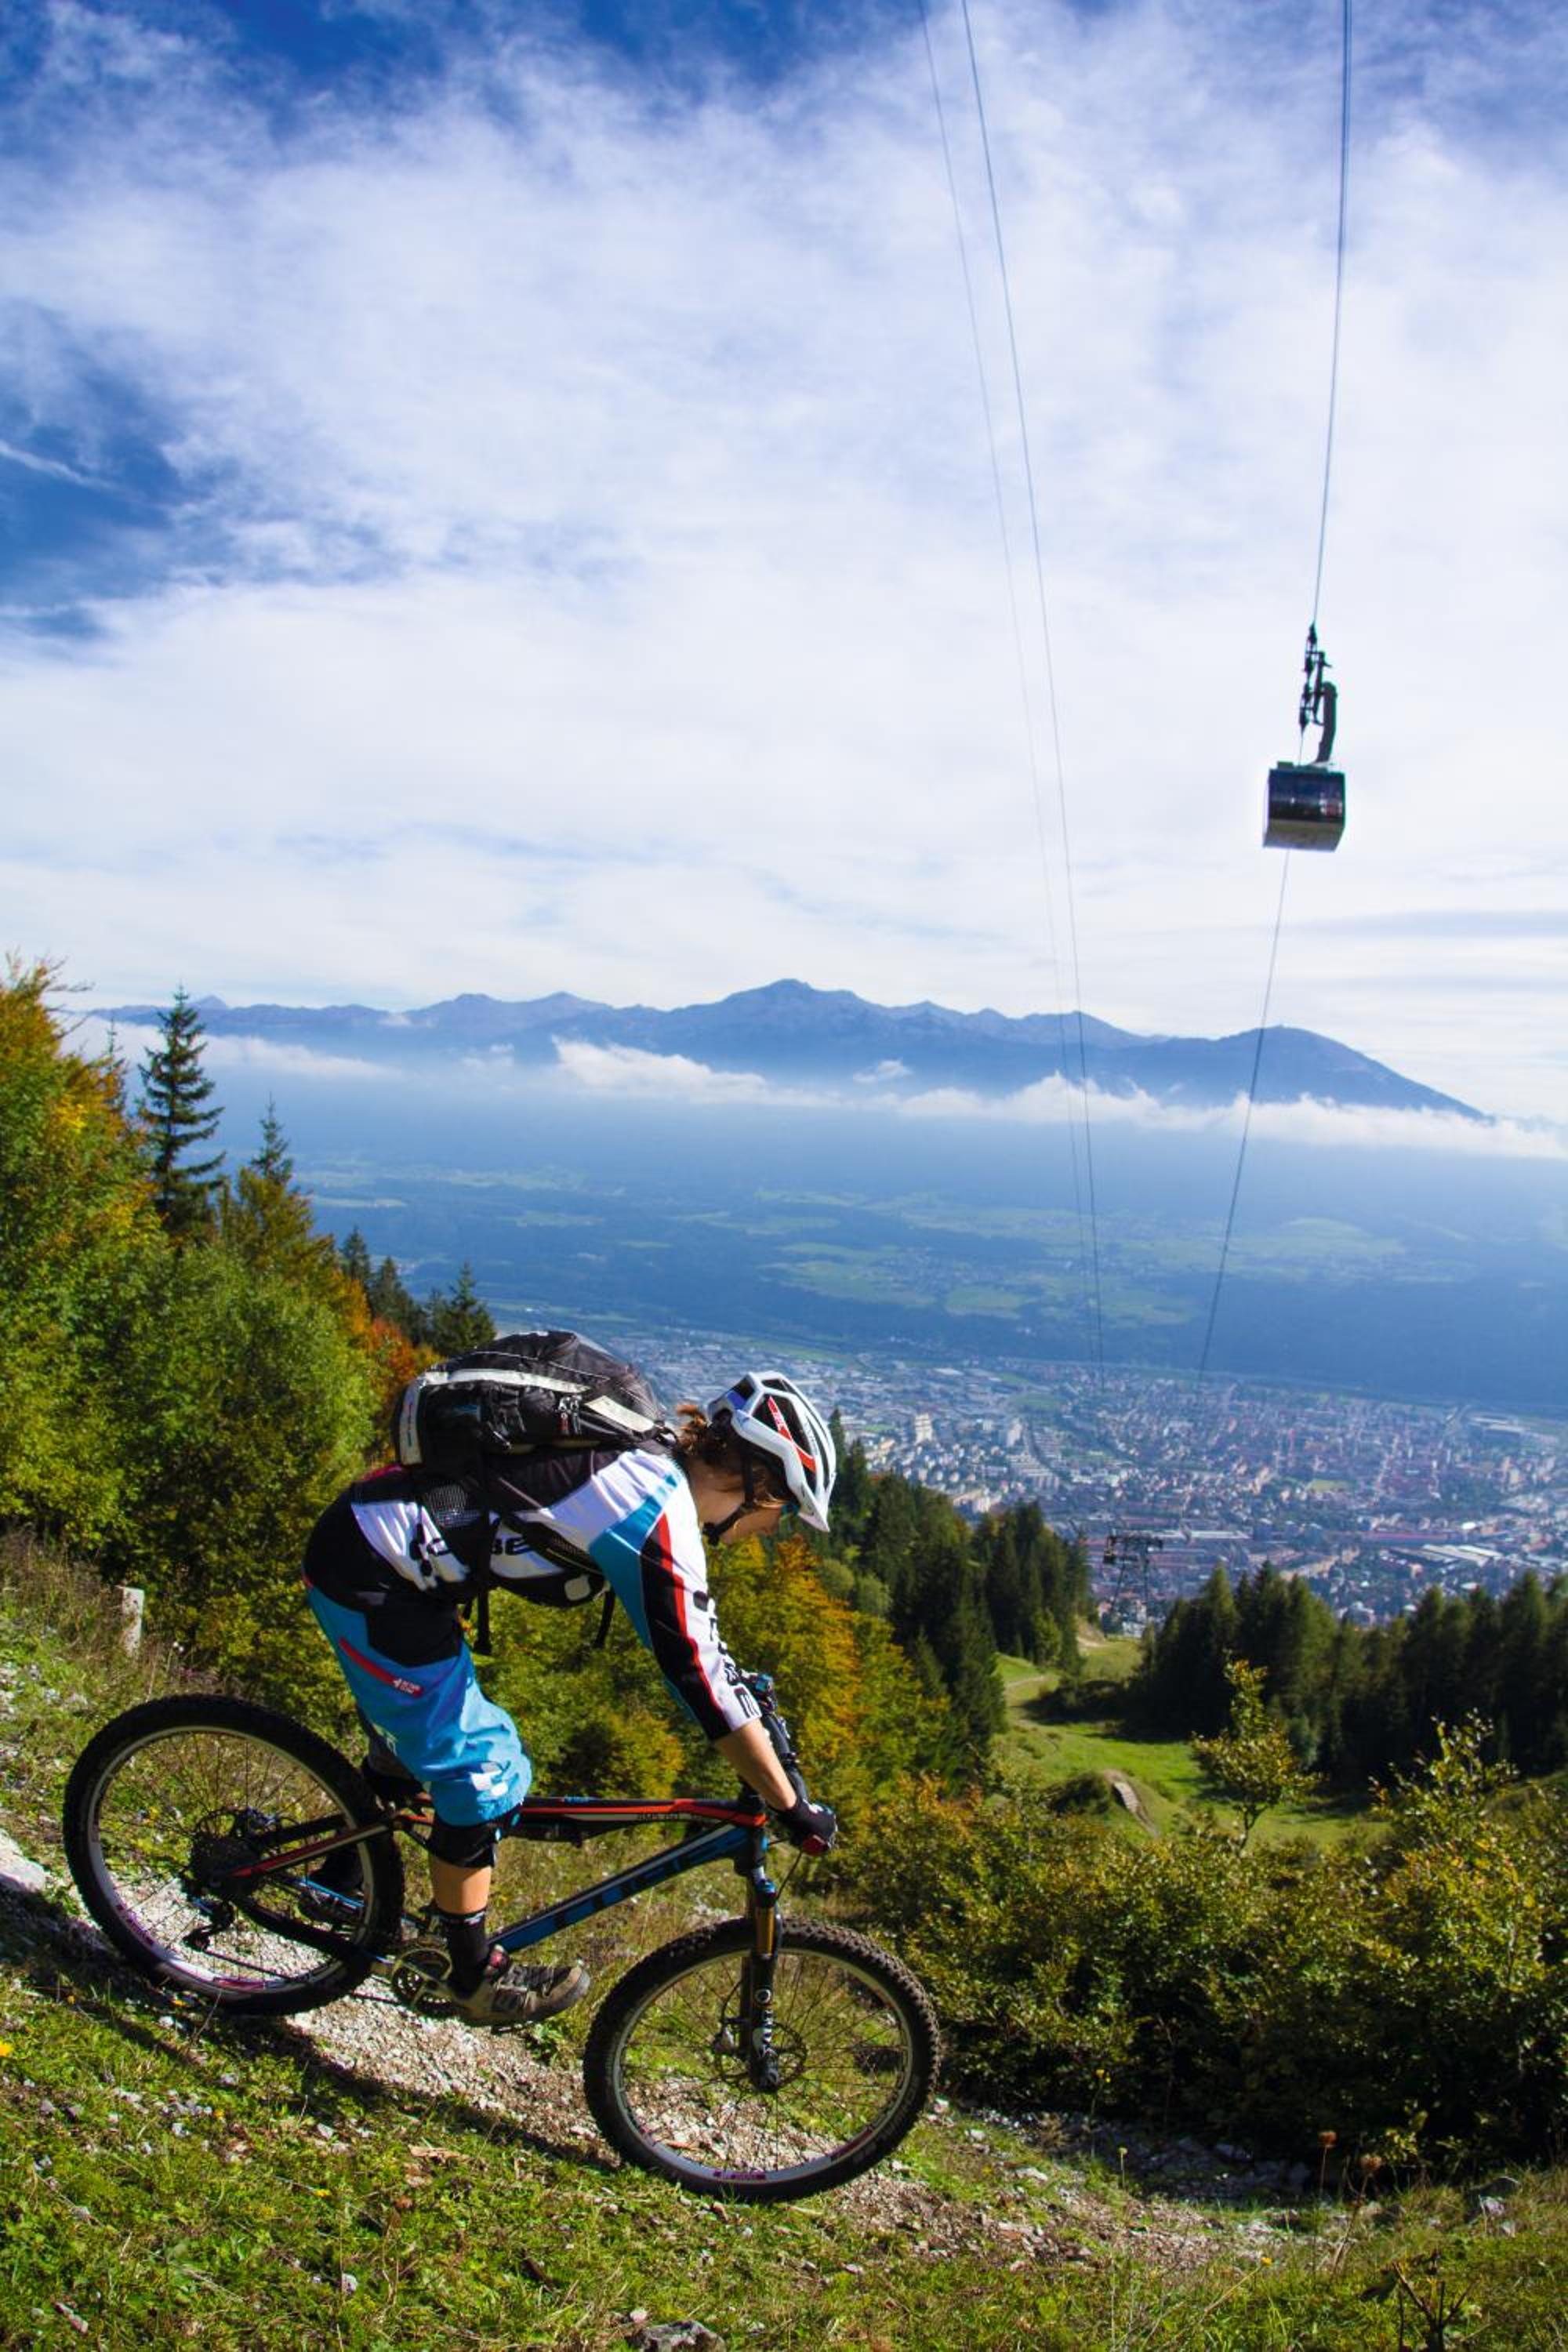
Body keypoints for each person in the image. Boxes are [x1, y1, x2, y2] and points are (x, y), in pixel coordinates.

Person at [301, 1361, 838, 2025]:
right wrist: (788, 1804)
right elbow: (699, 1677)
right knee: (482, 1769)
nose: (775, 1529)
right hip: (375, 1575)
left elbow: (706, 1647)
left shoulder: (649, 1464)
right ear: (758, 1486)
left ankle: (338, 1881)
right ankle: (471, 1978)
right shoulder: (651, 1509)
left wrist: (759, 1723)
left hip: (387, 1552)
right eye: (784, 1513)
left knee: (422, 1752)